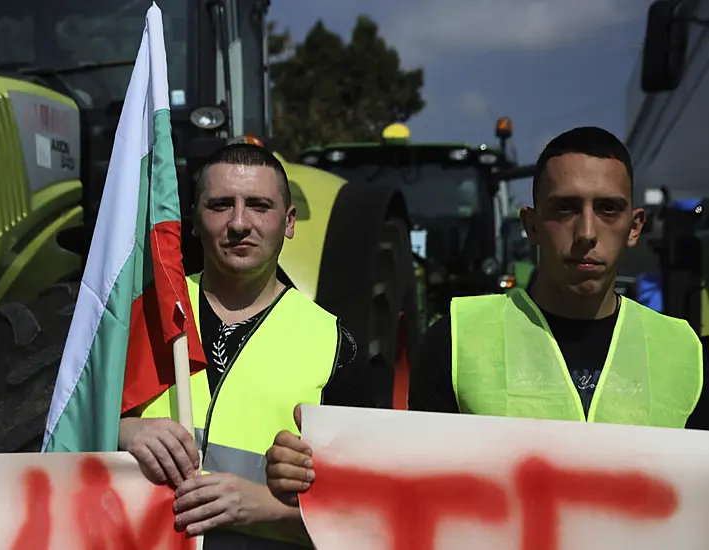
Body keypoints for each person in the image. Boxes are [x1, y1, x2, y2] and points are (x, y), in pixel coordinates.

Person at [264, 125, 709, 508]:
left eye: (607, 209)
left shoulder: (688, 354)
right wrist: (319, 467)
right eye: (565, 209)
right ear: (531, 224)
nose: (587, 232)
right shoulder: (455, 341)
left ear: (635, 227)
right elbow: (413, 487)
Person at [117, 142, 369, 548]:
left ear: (289, 222)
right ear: (195, 220)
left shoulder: (337, 347)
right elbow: (62, 435)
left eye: (258, 205)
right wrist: (122, 432)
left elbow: (366, 517)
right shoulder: (142, 316)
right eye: (220, 205)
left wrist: (267, 510)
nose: (239, 222)